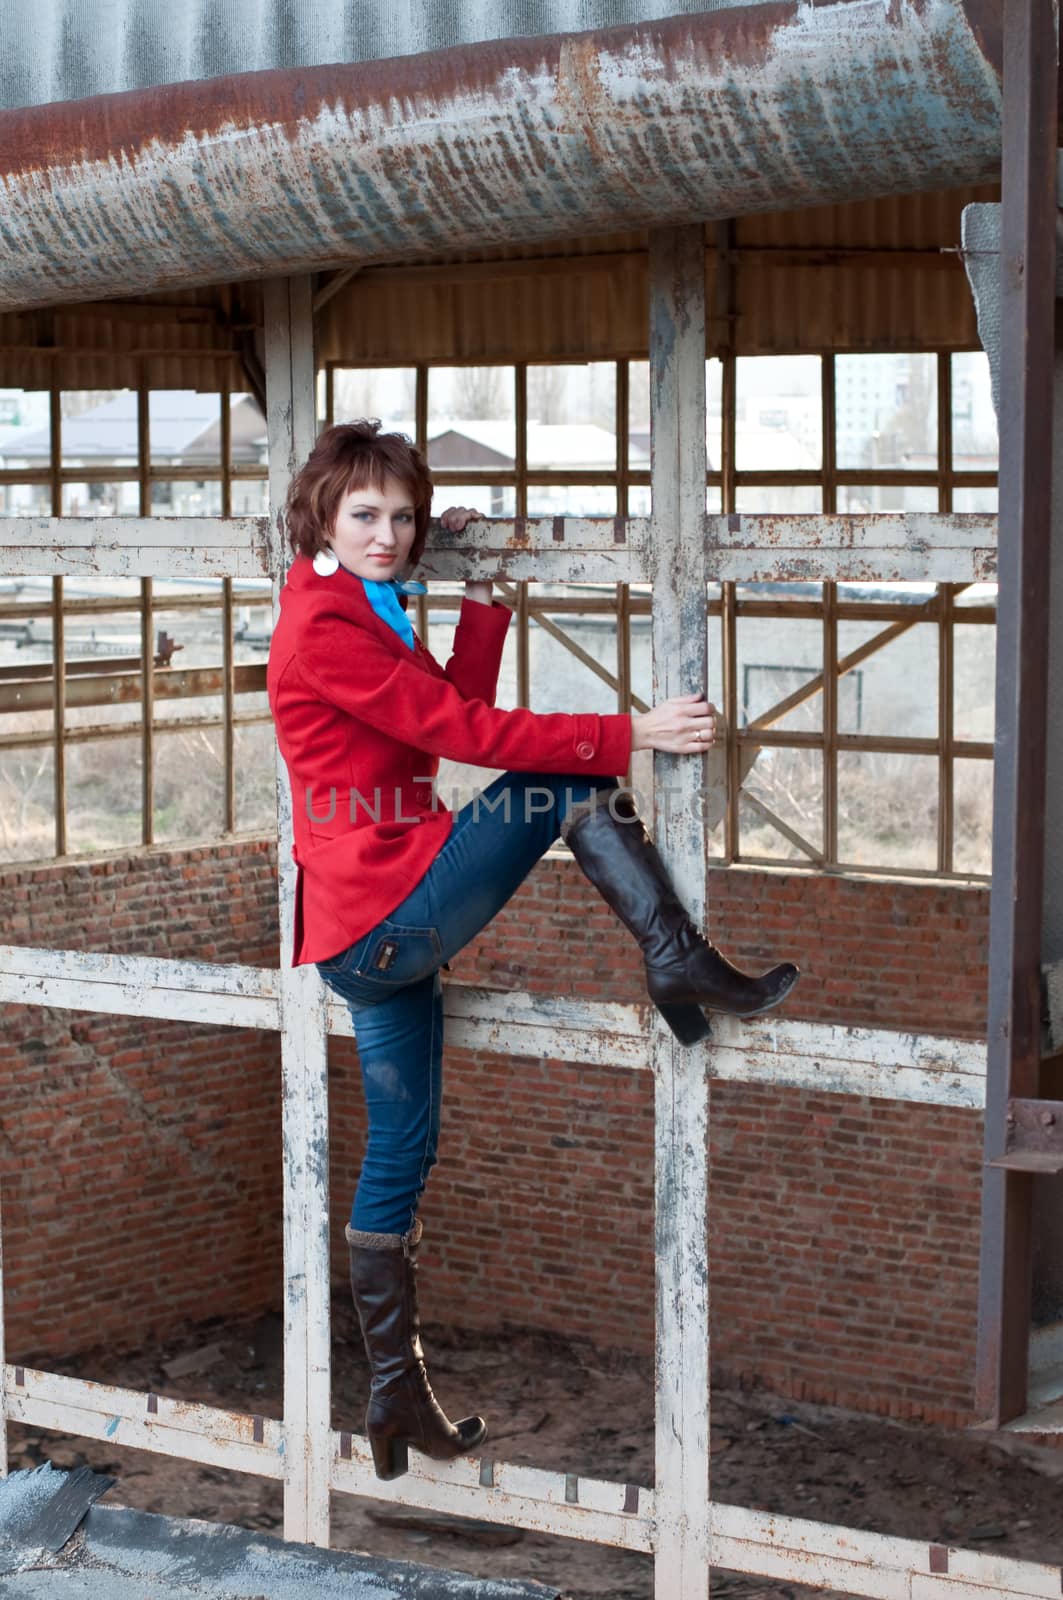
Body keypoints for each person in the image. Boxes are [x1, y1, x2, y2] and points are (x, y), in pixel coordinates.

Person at [266, 420, 798, 1482]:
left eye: (404, 517)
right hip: (382, 912)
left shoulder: (356, 608)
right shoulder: (325, 629)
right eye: (364, 515)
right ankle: (675, 955)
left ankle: (393, 1392)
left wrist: (483, 601)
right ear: (318, 516)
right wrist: (631, 733)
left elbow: (433, 721)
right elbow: (469, 739)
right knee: (556, 783)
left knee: (401, 1157)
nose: (389, 535)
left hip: (368, 938)